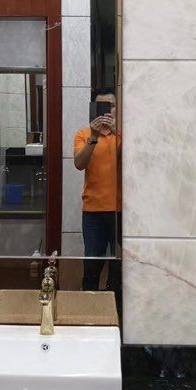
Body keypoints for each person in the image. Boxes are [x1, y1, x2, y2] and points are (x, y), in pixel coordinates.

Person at [73, 88, 121, 292]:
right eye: (101, 106)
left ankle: (116, 307)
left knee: (119, 269)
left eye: (111, 106)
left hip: (121, 211)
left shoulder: (125, 134)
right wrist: (94, 136)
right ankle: (88, 307)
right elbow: (79, 164)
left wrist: (118, 131)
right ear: (94, 109)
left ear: (118, 108)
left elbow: (134, 163)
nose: (107, 110)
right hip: (93, 211)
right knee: (92, 267)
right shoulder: (84, 134)